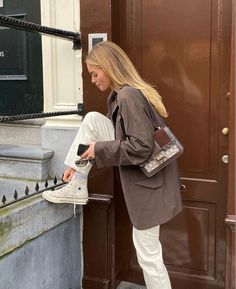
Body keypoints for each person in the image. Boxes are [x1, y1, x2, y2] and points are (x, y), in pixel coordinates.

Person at [42, 41, 182, 289]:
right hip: (149, 184)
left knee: (149, 257)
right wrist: (77, 166)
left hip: (150, 188)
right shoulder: (119, 96)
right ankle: (77, 182)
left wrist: (99, 149)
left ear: (108, 68)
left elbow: (141, 147)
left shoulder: (128, 95)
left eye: (95, 74)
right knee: (93, 120)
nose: (93, 80)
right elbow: (104, 135)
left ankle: (78, 183)